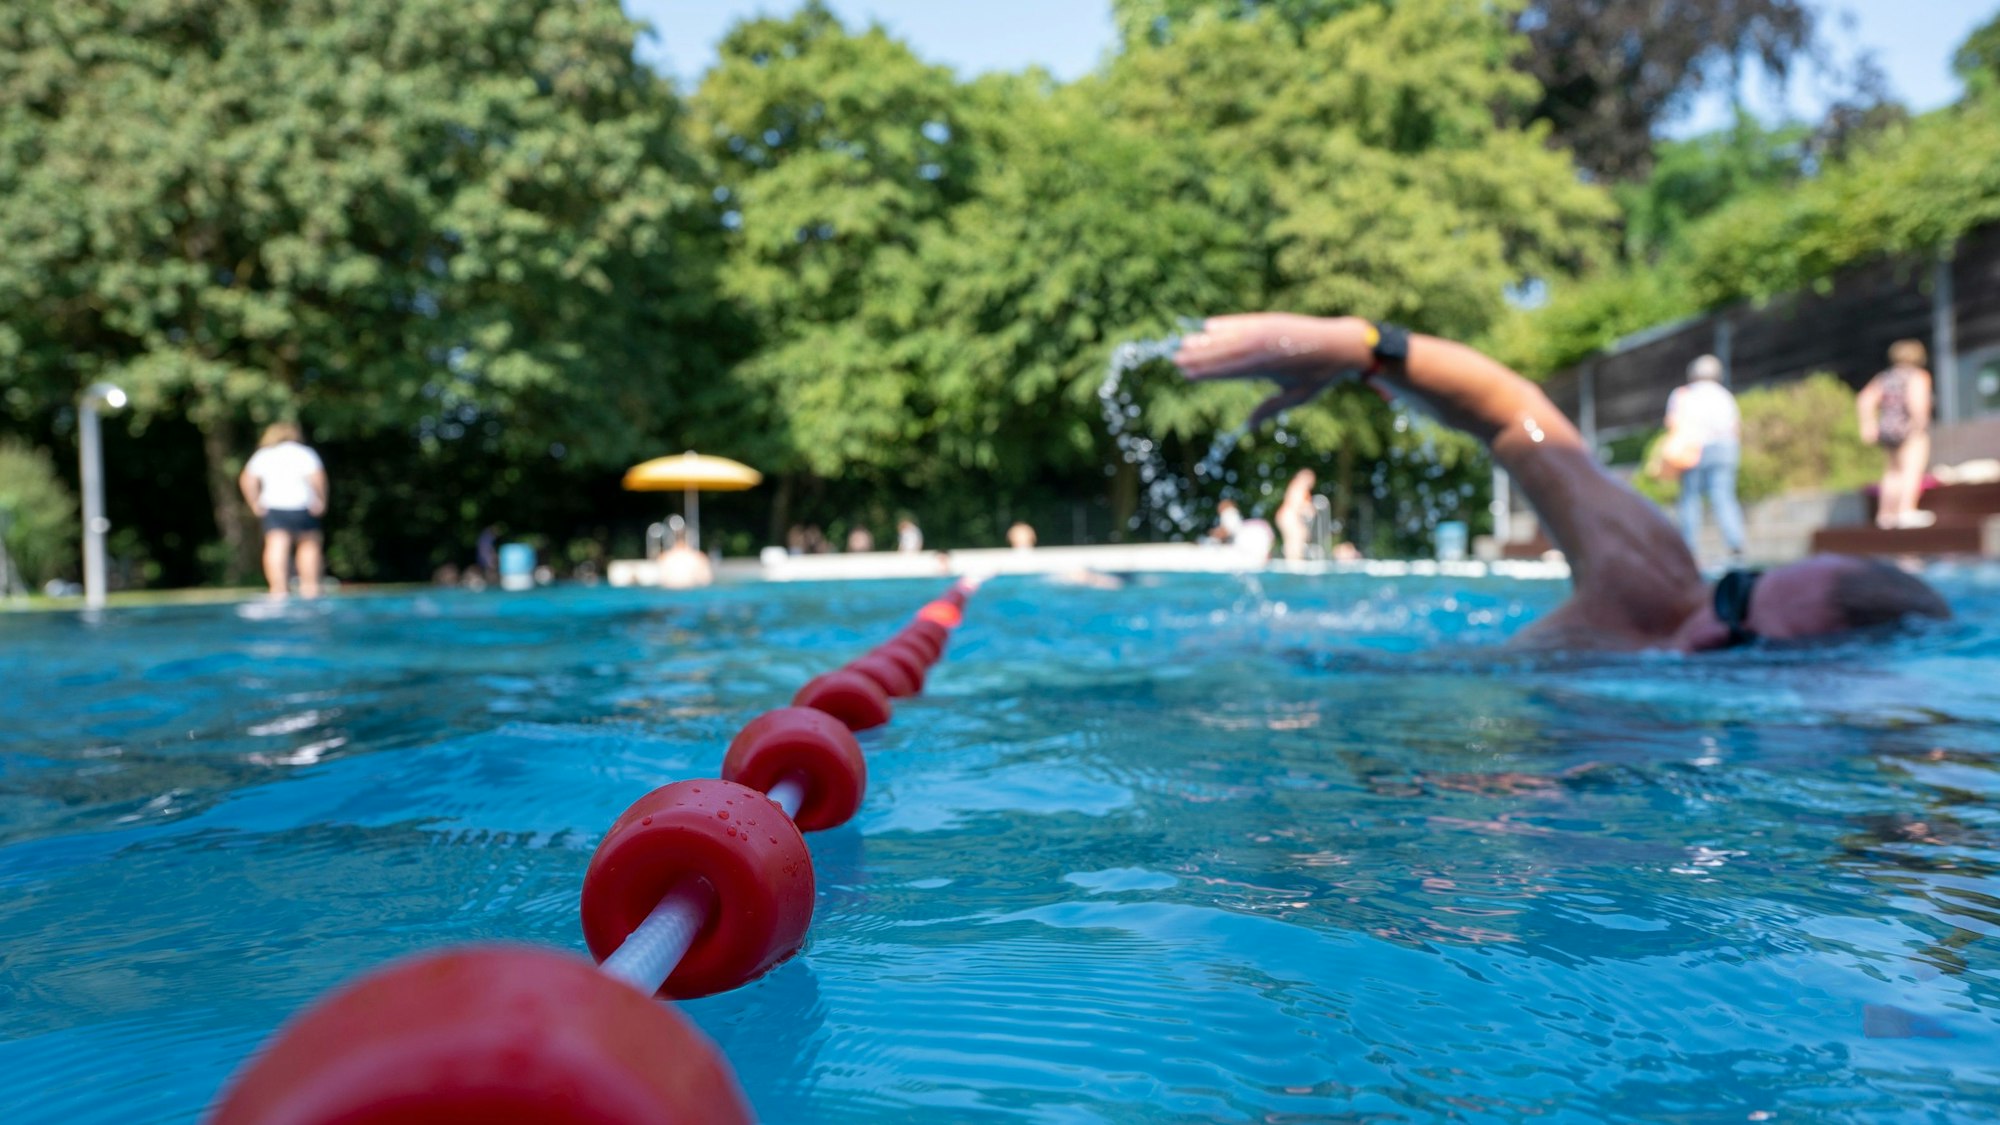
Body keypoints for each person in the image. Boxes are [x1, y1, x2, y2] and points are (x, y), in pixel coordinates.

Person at [1174, 313, 1950, 651]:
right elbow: (1516, 415)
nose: (1713, 626)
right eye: (1734, 593)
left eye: (1742, 644)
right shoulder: (1652, 577)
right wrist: (1363, 344)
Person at [1663, 355, 1747, 561]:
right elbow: (1735, 427)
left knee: (1690, 497)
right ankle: (1735, 543)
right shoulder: (1724, 396)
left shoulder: (1684, 395)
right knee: (1724, 496)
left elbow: (1672, 422)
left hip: (1694, 449)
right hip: (1725, 448)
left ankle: (1688, 548)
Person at [238, 422, 328, 599]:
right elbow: (318, 478)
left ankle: (278, 589)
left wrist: (254, 502)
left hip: (274, 505)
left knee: (276, 545)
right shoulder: (304, 453)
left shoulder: (264, 454)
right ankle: (310, 587)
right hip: (302, 504)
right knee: (308, 544)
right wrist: (321, 500)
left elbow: (247, 479)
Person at [1857, 339, 1936, 530]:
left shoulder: (1884, 377)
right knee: (1911, 469)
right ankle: (1905, 510)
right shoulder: (1917, 376)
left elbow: (1865, 399)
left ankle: (1885, 515)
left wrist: (1868, 424)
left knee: (1892, 472)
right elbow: (1916, 402)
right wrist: (1919, 424)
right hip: (1908, 428)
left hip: (1888, 428)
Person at [658, 516, 713, 589]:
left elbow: (661, 581)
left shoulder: (664, 557)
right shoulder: (699, 557)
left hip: (670, 590)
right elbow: (706, 580)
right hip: (691, 590)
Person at [1274, 469, 1317, 562]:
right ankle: (1294, 562)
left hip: (1288, 516)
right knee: (1295, 540)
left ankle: (1293, 561)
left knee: (1295, 539)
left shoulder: (1297, 486)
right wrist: (1308, 509)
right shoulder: (1299, 487)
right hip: (1289, 516)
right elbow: (1295, 504)